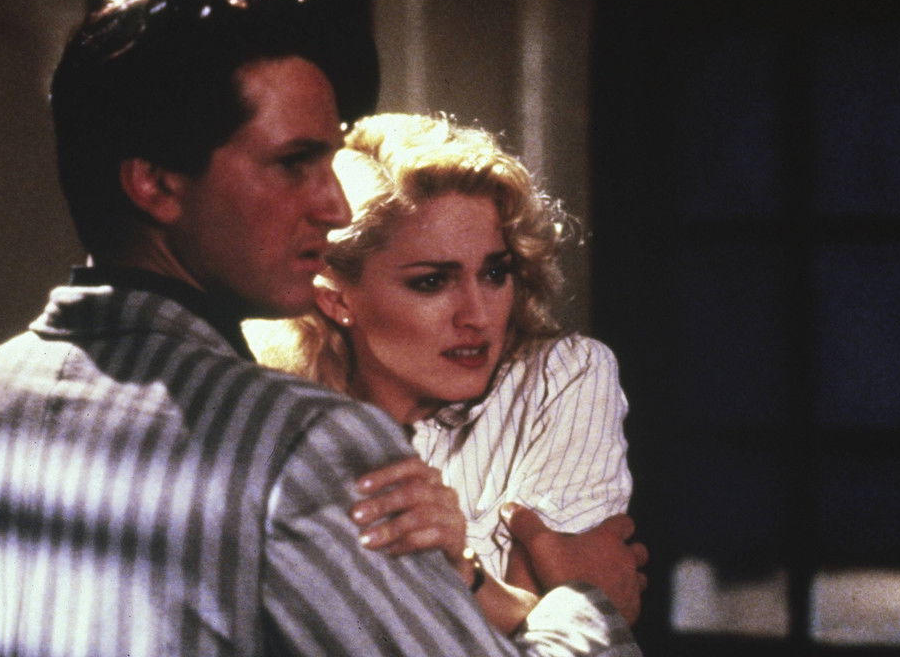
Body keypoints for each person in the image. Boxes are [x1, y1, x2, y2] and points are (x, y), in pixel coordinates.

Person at [0, 0, 642, 656]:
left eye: (328, 163)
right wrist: (582, 605)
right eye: (295, 163)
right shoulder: (305, 442)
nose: (333, 207)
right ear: (156, 184)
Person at [246, 112, 638, 631]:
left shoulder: (559, 379)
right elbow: (567, 624)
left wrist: (471, 579)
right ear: (336, 299)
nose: (477, 315)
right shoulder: (281, 422)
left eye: (494, 272)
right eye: (432, 282)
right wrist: (522, 602)